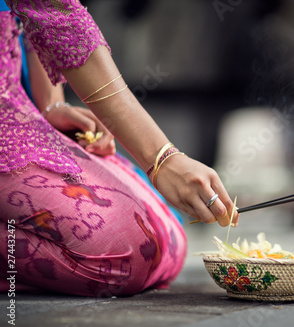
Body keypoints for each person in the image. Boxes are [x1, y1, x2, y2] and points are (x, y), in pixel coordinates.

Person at [0, 0, 238, 297]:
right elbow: (55, 13)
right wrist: (162, 158)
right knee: (123, 258)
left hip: (14, 104)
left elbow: (35, 10)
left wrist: (51, 103)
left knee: (166, 238)